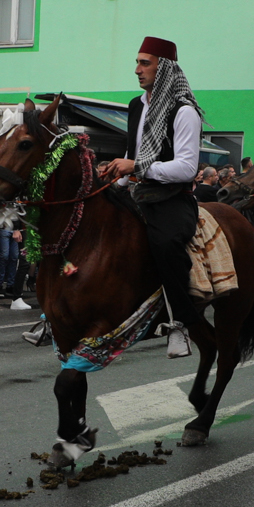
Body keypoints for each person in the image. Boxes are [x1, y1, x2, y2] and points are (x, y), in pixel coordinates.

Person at [99, 35, 207, 359]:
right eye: (137, 62)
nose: (137, 69)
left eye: (145, 63)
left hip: (171, 197)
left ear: (165, 69)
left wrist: (137, 166)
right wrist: (115, 177)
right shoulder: (135, 106)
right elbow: (132, 154)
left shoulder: (184, 111)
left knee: (165, 243)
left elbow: (187, 168)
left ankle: (180, 324)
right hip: (137, 191)